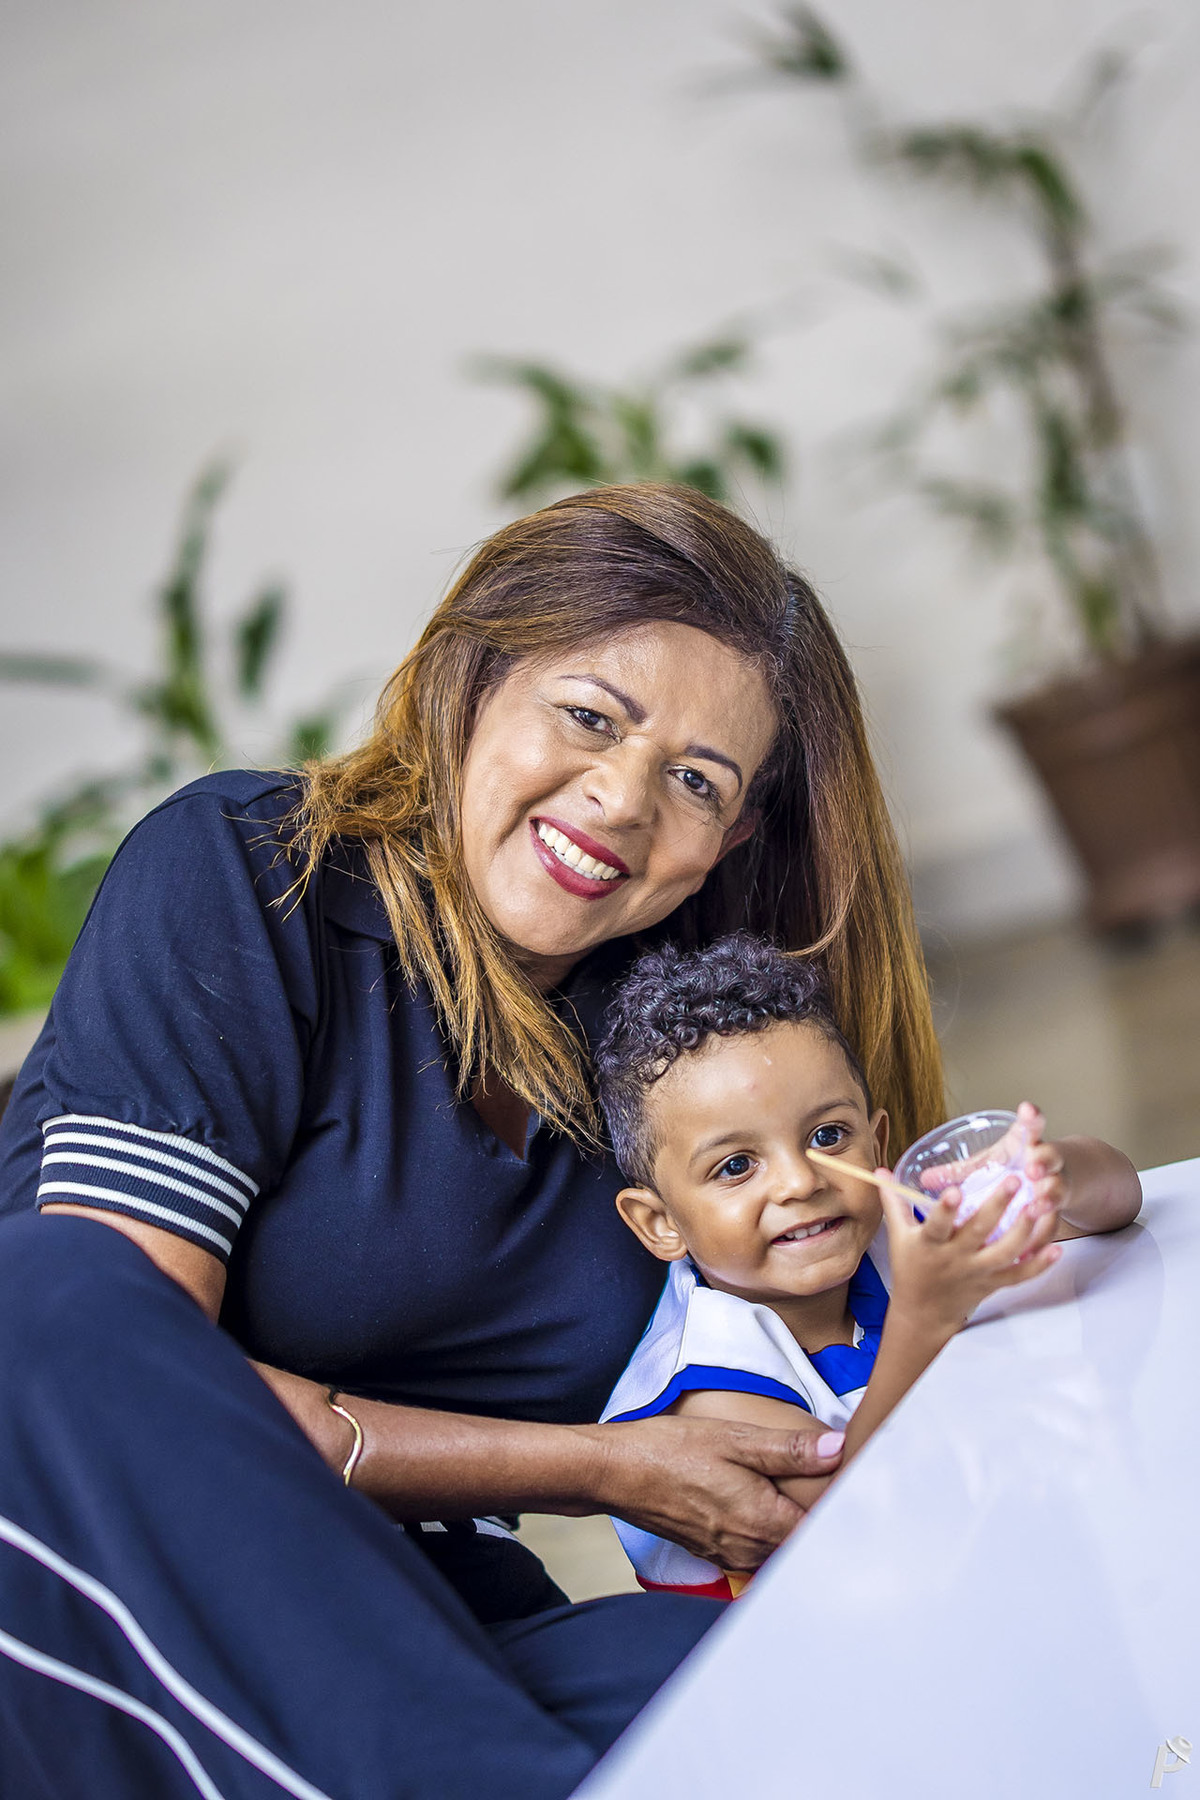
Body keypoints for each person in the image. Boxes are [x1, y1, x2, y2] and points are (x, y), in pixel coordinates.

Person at [0, 483, 945, 1799]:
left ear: (731, 837)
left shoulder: (666, 1060)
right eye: (589, 717)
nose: (620, 800)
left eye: (694, 780)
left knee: (763, 1687)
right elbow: (126, 1393)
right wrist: (603, 1469)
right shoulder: (246, 875)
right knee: (48, 1285)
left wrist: (1022, 1210)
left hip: (419, 1607)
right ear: (471, 677)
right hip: (106, 1597)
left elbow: (851, 1328)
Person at [595, 934, 1143, 1598]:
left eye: (828, 1136)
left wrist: (1054, 1174)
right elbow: (862, 1520)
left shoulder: (898, 1227)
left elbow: (1119, 1201)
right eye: (736, 1165)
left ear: (877, 1145)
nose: (801, 1181)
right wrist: (922, 1319)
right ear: (661, 1223)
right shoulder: (707, 1390)